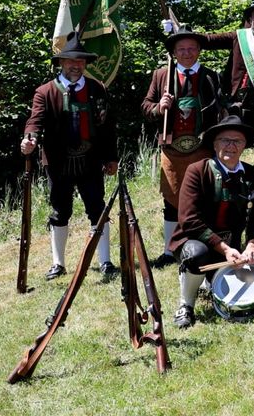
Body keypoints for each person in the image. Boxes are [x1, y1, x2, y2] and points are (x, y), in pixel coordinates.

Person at [20, 31, 119, 280]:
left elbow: (107, 127)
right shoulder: (45, 92)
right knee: (60, 210)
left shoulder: (97, 88)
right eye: (71, 61)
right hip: (58, 162)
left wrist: (111, 157)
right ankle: (58, 263)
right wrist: (30, 138)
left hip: (90, 160)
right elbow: (35, 120)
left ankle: (105, 261)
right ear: (61, 63)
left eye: (80, 61)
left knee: (97, 208)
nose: (76, 66)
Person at [169, 116, 254, 328]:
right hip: (195, 241)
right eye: (225, 140)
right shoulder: (197, 170)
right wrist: (224, 249)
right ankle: (186, 305)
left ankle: (207, 280)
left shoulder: (252, 174)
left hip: (231, 247)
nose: (231, 146)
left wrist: (252, 245)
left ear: (244, 146)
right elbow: (189, 219)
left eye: (237, 141)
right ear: (214, 144)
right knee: (197, 255)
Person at [141, 25, 224, 267]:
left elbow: (221, 109)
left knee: (204, 197)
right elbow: (146, 106)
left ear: (199, 50)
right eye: (181, 49)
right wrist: (159, 107)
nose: (187, 53)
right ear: (174, 53)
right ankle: (170, 251)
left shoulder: (211, 76)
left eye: (191, 48)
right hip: (172, 150)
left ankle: (205, 243)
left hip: (202, 148)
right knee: (171, 200)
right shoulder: (161, 76)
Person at [200, 0, 254, 175]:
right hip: (235, 104)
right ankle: (225, 180)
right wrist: (180, 32)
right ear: (250, 19)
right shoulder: (239, 37)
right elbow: (209, 41)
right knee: (228, 144)